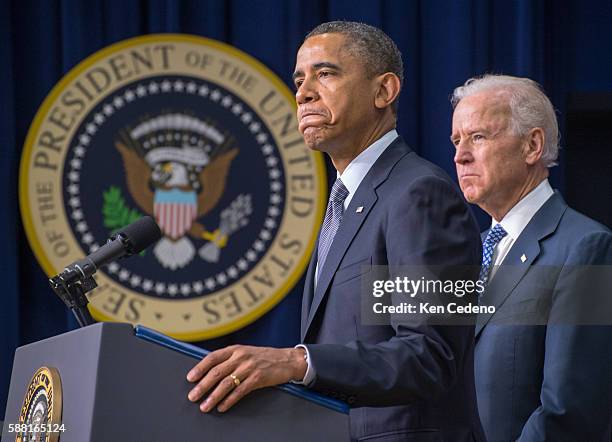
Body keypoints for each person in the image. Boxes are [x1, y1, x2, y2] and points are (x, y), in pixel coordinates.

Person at [186, 21, 484, 441]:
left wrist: (297, 362)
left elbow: (429, 356)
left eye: (325, 74)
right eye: (299, 79)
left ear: (384, 91)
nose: (304, 92)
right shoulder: (343, 202)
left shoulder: (421, 195)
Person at [451, 74, 612, 441]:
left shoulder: (586, 248)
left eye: (478, 137)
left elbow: (569, 412)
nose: (460, 155)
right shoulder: (467, 256)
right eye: (457, 140)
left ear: (532, 146)